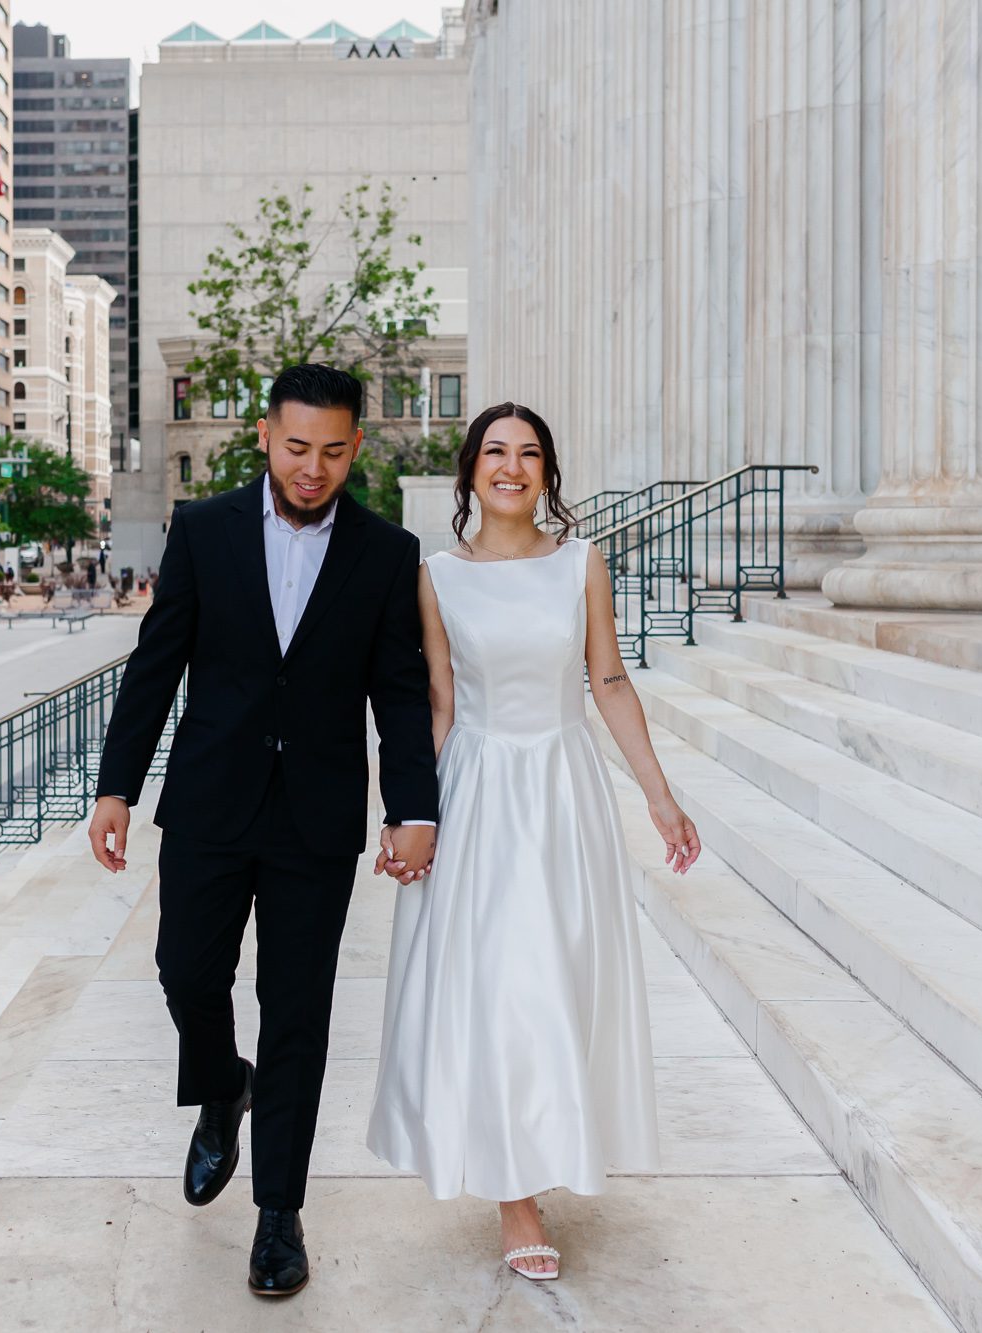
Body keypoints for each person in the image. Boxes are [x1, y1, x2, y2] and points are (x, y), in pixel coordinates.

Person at [87, 363, 439, 1299]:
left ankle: (278, 1213)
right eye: (296, 448)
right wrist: (116, 784)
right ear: (263, 436)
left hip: (316, 819)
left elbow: (400, 694)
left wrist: (414, 807)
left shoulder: (386, 551)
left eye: (332, 450)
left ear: (355, 445)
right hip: (209, 802)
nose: (313, 468)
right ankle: (219, 1086)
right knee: (185, 972)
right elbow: (156, 663)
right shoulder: (204, 530)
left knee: (298, 1013)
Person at [366, 402, 702, 1282]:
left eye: (529, 454)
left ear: (548, 472)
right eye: (494, 452)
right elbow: (437, 704)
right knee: (496, 985)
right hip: (477, 792)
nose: (511, 467)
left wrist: (661, 799)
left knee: (558, 976)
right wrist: (410, 814)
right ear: (470, 469)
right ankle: (516, 1196)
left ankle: (548, 1139)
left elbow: (610, 679)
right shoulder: (436, 575)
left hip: (562, 793)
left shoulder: (581, 564)